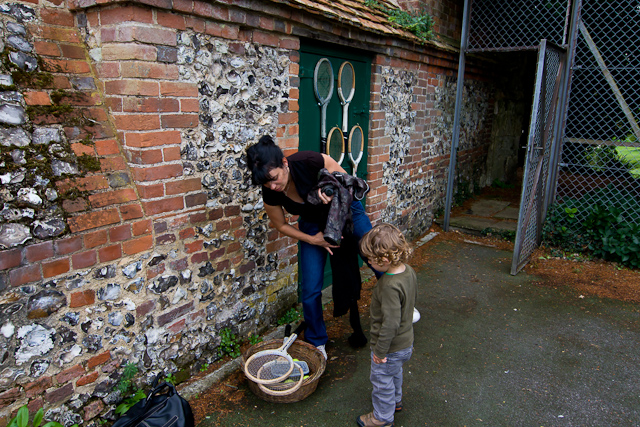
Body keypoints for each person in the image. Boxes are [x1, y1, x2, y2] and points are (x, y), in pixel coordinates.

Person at [245, 135, 377, 359]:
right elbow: (281, 225)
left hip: (345, 211)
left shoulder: (309, 161)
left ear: (284, 163)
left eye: (274, 179)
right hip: (311, 226)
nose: (272, 186)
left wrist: (329, 191)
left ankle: (401, 307)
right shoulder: (270, 192)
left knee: (374, 253)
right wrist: (313, 240)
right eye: (266, 184)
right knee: (310, 289)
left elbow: (346, 183)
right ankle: (317, 342)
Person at [357, 223, 417, 427]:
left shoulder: (389, 285)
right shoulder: (408, 272)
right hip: (405, 342)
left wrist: (380, 351)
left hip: (389, 347)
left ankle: (381, 418)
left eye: (371, 261)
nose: (369, 264)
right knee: (395, 372)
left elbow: (390, 323)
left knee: (382, 381)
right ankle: (396, 402)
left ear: (383, 259)